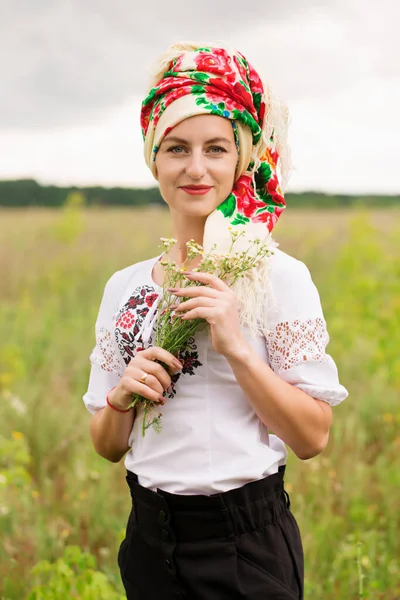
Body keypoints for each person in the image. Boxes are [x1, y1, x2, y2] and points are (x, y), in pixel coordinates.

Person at [83, 41, 348, 600]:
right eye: (177, 148)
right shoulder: (125, 288)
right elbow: (107, 446)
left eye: (216, 149)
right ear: (154, 159)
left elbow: (312, 437)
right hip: (150, 539)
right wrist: (122, 397)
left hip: (244, 543)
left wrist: (237, 346)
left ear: (241, 159)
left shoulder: (278, 277)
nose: (196, 168)